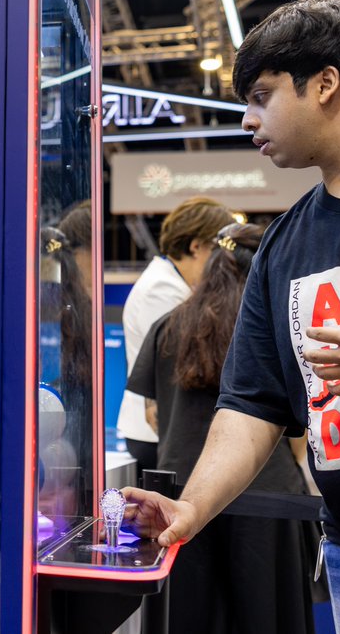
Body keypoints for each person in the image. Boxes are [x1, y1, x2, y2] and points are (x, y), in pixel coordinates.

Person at [124, 0, 340, 633]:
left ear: (326, 84)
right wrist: (191, 509)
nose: (248, 119)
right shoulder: (282, 243)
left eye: (261, 95)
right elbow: (250, 406)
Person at [128, 221, 315, 634]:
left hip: (181, 494)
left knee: (190, 613)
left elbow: (152, 415)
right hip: (268, 494)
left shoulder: (167, 327)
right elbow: (298, 425)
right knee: (266, 614)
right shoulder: (273, 329)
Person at [117, 196, 237, 472]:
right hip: (157, 430)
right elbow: (173, 364)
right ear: (196, 247)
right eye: (219, 252)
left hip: (164, 427)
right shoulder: (162, 290)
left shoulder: (169, 283)